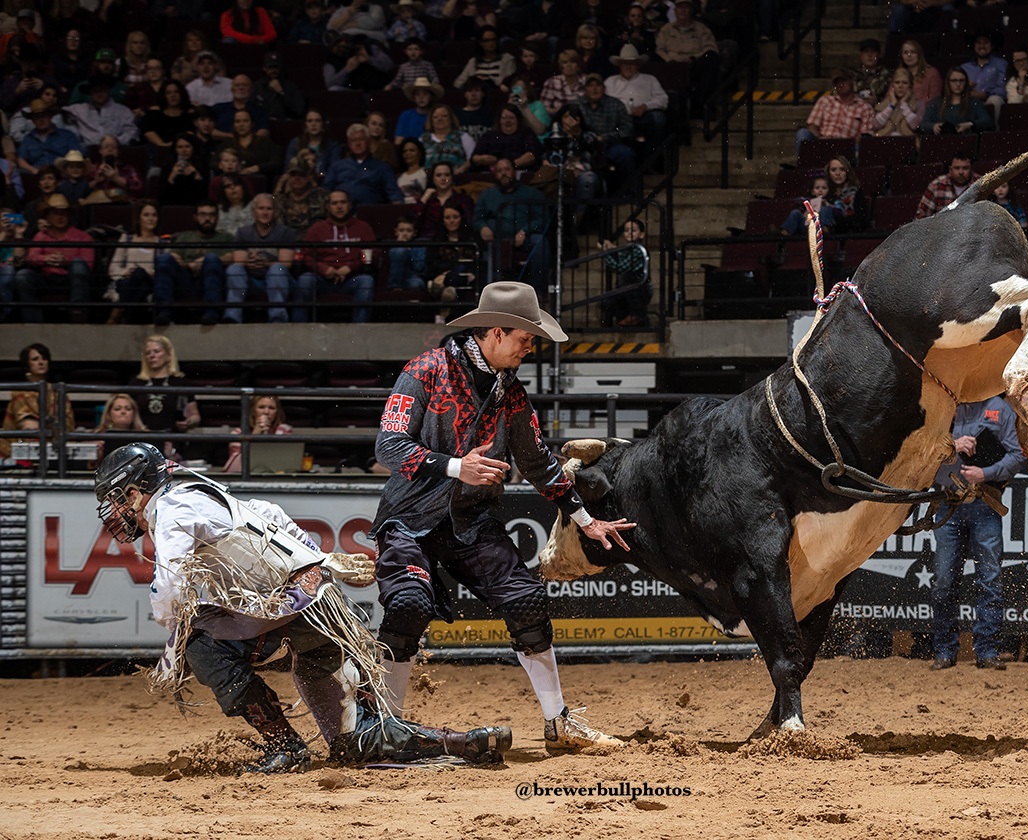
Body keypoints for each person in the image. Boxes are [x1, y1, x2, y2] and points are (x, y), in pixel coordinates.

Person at [92, 442, 512, 771]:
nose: (115, 511)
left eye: (116, 500)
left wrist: (171, 625)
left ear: (134, 492)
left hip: (288, 608)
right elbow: (267, 512)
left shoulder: (170, 509)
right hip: (318, 603)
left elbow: (170, 582)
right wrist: (316, 560)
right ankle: (460, 742)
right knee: (354, 742)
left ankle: (285, 747)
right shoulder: (198, 490)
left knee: (200, 647)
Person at [368, 281, 633, 752]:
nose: (529, 348)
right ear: (495, 332)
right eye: (524, 339)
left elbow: (537, 463)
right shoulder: (424, 371)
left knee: (527, 599)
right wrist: (456, 466)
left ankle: (559, 724)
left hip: (471, 522)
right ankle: (382, 729)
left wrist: (585, 519)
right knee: (408, 605)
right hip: (409, 519)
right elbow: (389, 447)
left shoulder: (510, 392)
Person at [929, 396, 1028, 672]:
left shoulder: (1000, 409)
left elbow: (1018, 455)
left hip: (984, 502)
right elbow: (923, 447)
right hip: (949, 503)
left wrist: (985, 473)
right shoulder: (944, 408)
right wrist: (953, 445)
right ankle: (946, 650)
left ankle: (986, 650)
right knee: (944, 581)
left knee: (989, 579)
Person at [295, 190, 376, 323]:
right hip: (322, 279)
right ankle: (298, 332)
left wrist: (350, 267)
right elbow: (306, 255)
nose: (339, 207)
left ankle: (360, 332)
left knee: (366, 281)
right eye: (335, 203)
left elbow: (374, 253)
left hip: (352, 278)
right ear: (328, 207)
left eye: (343, 202)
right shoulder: (317, 229)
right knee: (305, 280)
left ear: (349, 205)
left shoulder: (363, 227)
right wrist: (323, 269)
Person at [13, 194, 93, 323]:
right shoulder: (41, 235)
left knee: (79, 264)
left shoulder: (83, 237)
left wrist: (65, 262)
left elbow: (88, 264)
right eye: (55, 213)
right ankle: (33, 322)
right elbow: (31, 257)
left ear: (69, 215)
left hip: (71, 279)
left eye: (63, 213)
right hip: (47, 278)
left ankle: (77, 312)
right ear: (48, 216)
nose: (60, 217)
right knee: (23, 275)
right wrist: (46, 258)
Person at [473, 157, 549, 288]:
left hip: (524, 238)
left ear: (514, 171)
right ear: (495, 174)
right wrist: (482, 227)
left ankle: (538, 292)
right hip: (495, 240)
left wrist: (525, 231)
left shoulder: (531, 193)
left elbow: (542, 218)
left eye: (507, 169)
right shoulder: (487, 195)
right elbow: (477, 218)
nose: (503, 173)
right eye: (499, 170)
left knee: (540, 242)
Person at [158, 199, 232, 326]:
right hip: (185, 280)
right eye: (203, 214)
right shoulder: (185, 236)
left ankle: (211, 312)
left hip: (212, 280)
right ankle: (163, 311)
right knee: (164, 259)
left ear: (217, 217)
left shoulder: (226, 237)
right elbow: (174, 255)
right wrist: (189, 265)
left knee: (212, 259)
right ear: (195, 217)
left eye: (211, 215)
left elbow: (231, 257)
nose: (207, 218)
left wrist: (205, 260)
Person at [226, 194, 297, 324]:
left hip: (279, 279)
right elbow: (238, 260)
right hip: (252, 280)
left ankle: (278, 318)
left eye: (269, 209)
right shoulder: (243, 232)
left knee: (277, 268)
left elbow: (286, 264)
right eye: (261, 208)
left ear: (275, 212)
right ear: (254, 212)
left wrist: (266, 263)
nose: (265, 212)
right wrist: (249, 262)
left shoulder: (286, 232)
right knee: (234, 268)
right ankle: (232, 317)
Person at [0, 342, 74, 460]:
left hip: (56, 446)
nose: (41, 362)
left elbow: (68, 426)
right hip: (23, 445)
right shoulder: (19, 393)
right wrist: (51, 426)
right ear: (27, 364)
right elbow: (28, 426)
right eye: (35, 359)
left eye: (44, 358)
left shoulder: (59, 392)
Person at [128, 335, 201, 440]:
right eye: (148, 353)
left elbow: (194, 414)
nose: (152, 356)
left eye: (156, 351)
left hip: (173, 439)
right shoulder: (136, 383)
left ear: (168, 355)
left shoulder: (180, 382)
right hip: (142, 439)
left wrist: (189, 422)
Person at [603, 44, 668, 153]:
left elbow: (663, 99)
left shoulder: (650, 79)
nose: (628, 67)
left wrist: (645, 106)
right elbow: (604, 102)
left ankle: (652, 158)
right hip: (618, 119)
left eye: (632, 63)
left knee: (658, 118)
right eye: (625, 63)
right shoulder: (610, 81)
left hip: (643, 117)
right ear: (619, 65)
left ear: (638, 65)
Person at [794, 68, 874, 156]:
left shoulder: (865, 107)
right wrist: (820, 138)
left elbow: (866, 134)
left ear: (852, 81)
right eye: (837, 82)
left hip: (847, 145)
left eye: (843, 80)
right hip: (823, 142)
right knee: (802, 133)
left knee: (863, 144)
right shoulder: (825, 101)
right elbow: (812, 126)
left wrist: (851, 141)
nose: (840, 84)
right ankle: (803, 167)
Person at [107, 199, 163, 324]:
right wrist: (125, 272)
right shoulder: (126, 239)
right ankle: (129, 317)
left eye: (154, 215)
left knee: (139, 273)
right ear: (139, 218)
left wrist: (146, 272)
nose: (151, 219)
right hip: (128, 282)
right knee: (132, 282)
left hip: (150, 282)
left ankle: (118, 311)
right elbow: (113, 269)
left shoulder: (163, 244)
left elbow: (163, 271)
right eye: (146, 215)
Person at [324, 123, 405, 206]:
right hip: (342, 213)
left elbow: (394, 193)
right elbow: (326, 191)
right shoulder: (337, 166)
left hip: (372, 213)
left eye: (361, 139)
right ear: (349, 144)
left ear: (368, 141)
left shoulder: (382, 167)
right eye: (353, 140)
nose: (357, 143)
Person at [424, 204, 477, 322]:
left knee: (462, 269)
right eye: (447, 218)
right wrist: (447, 272)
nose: (451, 221)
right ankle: (449, 293)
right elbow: (431, 264)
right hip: (445, 276)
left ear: (461, 218)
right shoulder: (437, 239)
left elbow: (479, 261)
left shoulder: (472, 238)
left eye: (455, 217)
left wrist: (472, 272)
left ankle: (445, 299)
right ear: (442, 221)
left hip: (468, 278)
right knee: (459, 269)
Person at [598, 216, 650, 328]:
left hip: (639, 290)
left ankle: (637, 316)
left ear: (641, 234)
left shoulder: (638, 250)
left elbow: (619, 267)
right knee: (606, 302)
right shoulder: (628, 248)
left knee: (625, 281)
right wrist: (612, 249)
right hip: (629, 290)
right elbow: (622, 256)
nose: (629, 233)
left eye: (633, 230)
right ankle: (627, 318)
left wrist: (605, 253)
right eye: (626, 230)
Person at [222, 394, 292, 472]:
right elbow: (233, 469)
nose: (266, 412)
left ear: (277, 412)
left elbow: (283, 461)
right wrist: (255, 435)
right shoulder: (238, 433)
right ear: (253, 411)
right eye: (261, 407)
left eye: (271, 408)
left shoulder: (283, 429)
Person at [65, 77, 139, 146]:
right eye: (96, 91)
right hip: (88, 150)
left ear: (108, 91)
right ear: (90, 93)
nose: (99, 94)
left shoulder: (123, 111)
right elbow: (60, 113)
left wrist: (117, 141)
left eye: (102, 90)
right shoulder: (78, 109)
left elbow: (132, 131)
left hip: (117, 149)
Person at [17, 98, 84, 175]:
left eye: (43, 116)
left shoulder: (67, 136)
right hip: (37, 175)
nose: (41, 120)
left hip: (61, 175)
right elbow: (21, 160)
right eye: (37, 117)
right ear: (33, 120)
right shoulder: (28, 139)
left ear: (50, 116)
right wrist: (33, 170)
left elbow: (77, 156)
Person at [922, 68, 993, 135]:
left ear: (966, 82)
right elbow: (923, 124)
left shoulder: (974, 102)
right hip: (941, 142)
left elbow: (987, 121)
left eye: (961, 81)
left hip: (967, 142)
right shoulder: (937, 102)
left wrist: (970, 124)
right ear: (948, 82)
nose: (958, 84)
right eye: (954, 80)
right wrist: (933, 126)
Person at [960, 30, 1007, 126]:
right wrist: (966, 89)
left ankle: (994, 132)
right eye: (978, 43)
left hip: (990, 99)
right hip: (970, 101)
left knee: (995, 100)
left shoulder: (1001, 64)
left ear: (992, 45)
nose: (982, 46)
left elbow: (1002, 89)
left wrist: (985, 94)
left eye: (986, 42)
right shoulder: (965, 67)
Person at [417, 160, 475, 237]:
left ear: (452, 178)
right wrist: (424, 198)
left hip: (456, 240)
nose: (443, 178)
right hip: (428, 240)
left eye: (447, 175)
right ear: (433, 179)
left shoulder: (463, 199)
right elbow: (412, 221)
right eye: (438, 175)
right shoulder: (428, 200)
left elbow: (469, 223)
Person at [915, 153, 979, 219]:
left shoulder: (980, 185)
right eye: (957, 168)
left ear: (971, 169)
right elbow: (921, 215)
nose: (961, 172)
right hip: (941, 227)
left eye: (965, 168)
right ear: (950, 169)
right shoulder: (936, 185)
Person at [275, 156, 329, 233]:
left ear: (308, 176)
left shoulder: (323, 196)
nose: (297, 178)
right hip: (288, 242)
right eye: (293, 175)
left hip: (316, 241)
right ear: (288, 177)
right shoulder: (280, 200)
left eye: (301, 174)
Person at [284, 109, 342, 181]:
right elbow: (288, 167)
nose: (313, 124)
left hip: (323, 181)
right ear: (305, 125)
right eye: (310, 121)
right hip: (298, 181)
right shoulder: (295, 143)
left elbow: (334, 169)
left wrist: (320, 175)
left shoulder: (332, 145)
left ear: (323, 124)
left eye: (317, 121)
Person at [453, 26, 516, 91]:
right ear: (481, 43)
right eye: (487, 40)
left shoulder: (507, 59)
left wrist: (489, 80)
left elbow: (512, 83)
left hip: (497, 94)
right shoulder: (473, 61)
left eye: (493, 40)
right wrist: (474, 81)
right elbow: (458, 83)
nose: (491, 43)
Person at [91, 392, 148, 463]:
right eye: (117, 409)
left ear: (134, 413)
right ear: (109, 413)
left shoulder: (146, 436)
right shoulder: (97, 436)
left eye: (128, 409)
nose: (123, 412)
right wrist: (95, 454)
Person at [212, 75, 271, 140]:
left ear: (251, 89)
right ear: (232, 89)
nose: (241, 88)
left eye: (245, 85)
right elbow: (211, 131)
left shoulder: (260, 111)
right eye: (237, 85)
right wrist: (234, 137)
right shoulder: (218, 108)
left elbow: (264, 132)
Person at [420, 106, 474, 176]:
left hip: (457, 179)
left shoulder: (463, 137)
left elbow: (473, 159)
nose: (440, 119)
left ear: (451, 118)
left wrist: (460, 170)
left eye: (444, 116)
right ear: (431, 120)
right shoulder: (423, 139)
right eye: (435, 117)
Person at [255, 51, 307, 121]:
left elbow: (299, 109)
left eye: (276, 67)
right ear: (264, 68)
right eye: (271, 67)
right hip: (263, 123)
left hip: (284, 122)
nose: (274, 70)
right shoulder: (257, 86)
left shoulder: (290, 87)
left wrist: (281, 92)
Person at [871, 67, 923, 137]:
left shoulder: (919, 104)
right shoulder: (884, 104)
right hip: (884, 142)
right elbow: (875, 125)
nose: (900, 86)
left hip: (907, 143)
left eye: (905, 83)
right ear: (892, 86)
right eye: (897, 82)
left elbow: (915, 125)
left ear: (910, 86)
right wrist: (892, 105)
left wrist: (904, 104)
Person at [394, 77, 443, 143]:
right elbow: (399, 139)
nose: (421, 97)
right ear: (414, 97)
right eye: (417, 94)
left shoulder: (436, 116)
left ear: (431, 97)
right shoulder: (405, 115)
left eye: (425, 94)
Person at [540, 50, 587, 118]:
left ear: (578, 65)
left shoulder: (586, 80)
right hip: (560, 119)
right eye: (565, 62)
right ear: (561, 66)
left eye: (573, 62)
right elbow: (544, 106)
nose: (569, 65)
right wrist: (556, 111)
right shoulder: (552, 82)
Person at [387, 214, 426, 291]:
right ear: (396, 232)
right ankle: (395, 288)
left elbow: (419, 267)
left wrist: (408, 250)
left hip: (412, 277)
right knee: (399, 251)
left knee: (417, 283)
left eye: (409, 231)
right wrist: (400, 247)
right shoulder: (390, 246)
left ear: (414, 233)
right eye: (401, 230)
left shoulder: (420, 246)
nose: (404, 234)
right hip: (393, 279)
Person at [899, 38, 941, 104]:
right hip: (900, 111)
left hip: (923, 112)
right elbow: (889, 97)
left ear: (919, 55)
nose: (909, 55)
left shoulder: (932, 73)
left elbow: (935, 100)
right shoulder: (899, 74)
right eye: (905, 52)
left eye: (913, 52)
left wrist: (914, 107)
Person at [455, 78, 496, 143]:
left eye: (477, 90)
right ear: (465, 94)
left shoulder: (490, 114)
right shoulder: (456, 115)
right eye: (470, 91)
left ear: (483, 94)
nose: (473, 94)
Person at [853, 38, 891, 104]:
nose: (869, 55)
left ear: (878, 55)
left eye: (873, 51)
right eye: (866, 51)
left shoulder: (887, 75)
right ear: (861, 55)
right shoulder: (853, 75)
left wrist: (877, 101)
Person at [395, 138, 427, 205]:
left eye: (412, 150)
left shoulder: (426, 173)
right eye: (404, 151)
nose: (408, 153)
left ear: (419, 153)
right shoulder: (398, 176)